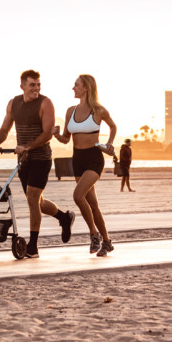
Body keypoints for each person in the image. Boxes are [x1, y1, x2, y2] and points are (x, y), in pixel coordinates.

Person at [0, 70, 75, 258]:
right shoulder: (14, 103)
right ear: (22, 87)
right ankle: (64, 217)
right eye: (32, 85)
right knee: (38, 201)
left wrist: (27, 146)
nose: (36, 88)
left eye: (38, 85)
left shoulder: (46, 103)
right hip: (24, 160)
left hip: (41, 158)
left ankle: (33, 246)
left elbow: (47, 134)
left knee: (32, 199)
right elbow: (5, 128)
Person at [52, 73, 117, 256]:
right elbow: (66, 139)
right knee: (93, 204)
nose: (73, 88)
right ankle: (107, 242)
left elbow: (113, 126)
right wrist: (56, 134)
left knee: (78, 196)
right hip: (77, 159)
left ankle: (93, 234)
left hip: (94, 158)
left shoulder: (99, 110)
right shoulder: (70, 111)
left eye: (76, 85)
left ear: (86, 88)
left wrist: (109, 143)